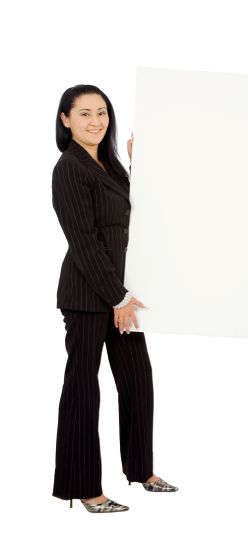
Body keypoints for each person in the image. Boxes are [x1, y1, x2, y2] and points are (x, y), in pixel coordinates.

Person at [52, 84, 178, 513]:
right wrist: (117, 297)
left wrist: (140, 164)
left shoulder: (109, 164)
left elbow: (132, 220)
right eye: (84, 113)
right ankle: (85, 488)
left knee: (137, 381)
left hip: (120, 295)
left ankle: (141, 470)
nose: (95, 121)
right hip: (89, 296)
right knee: (84, 390)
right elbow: (84, 242)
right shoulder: (68, 168)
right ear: (66, 120)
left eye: (101, 112)